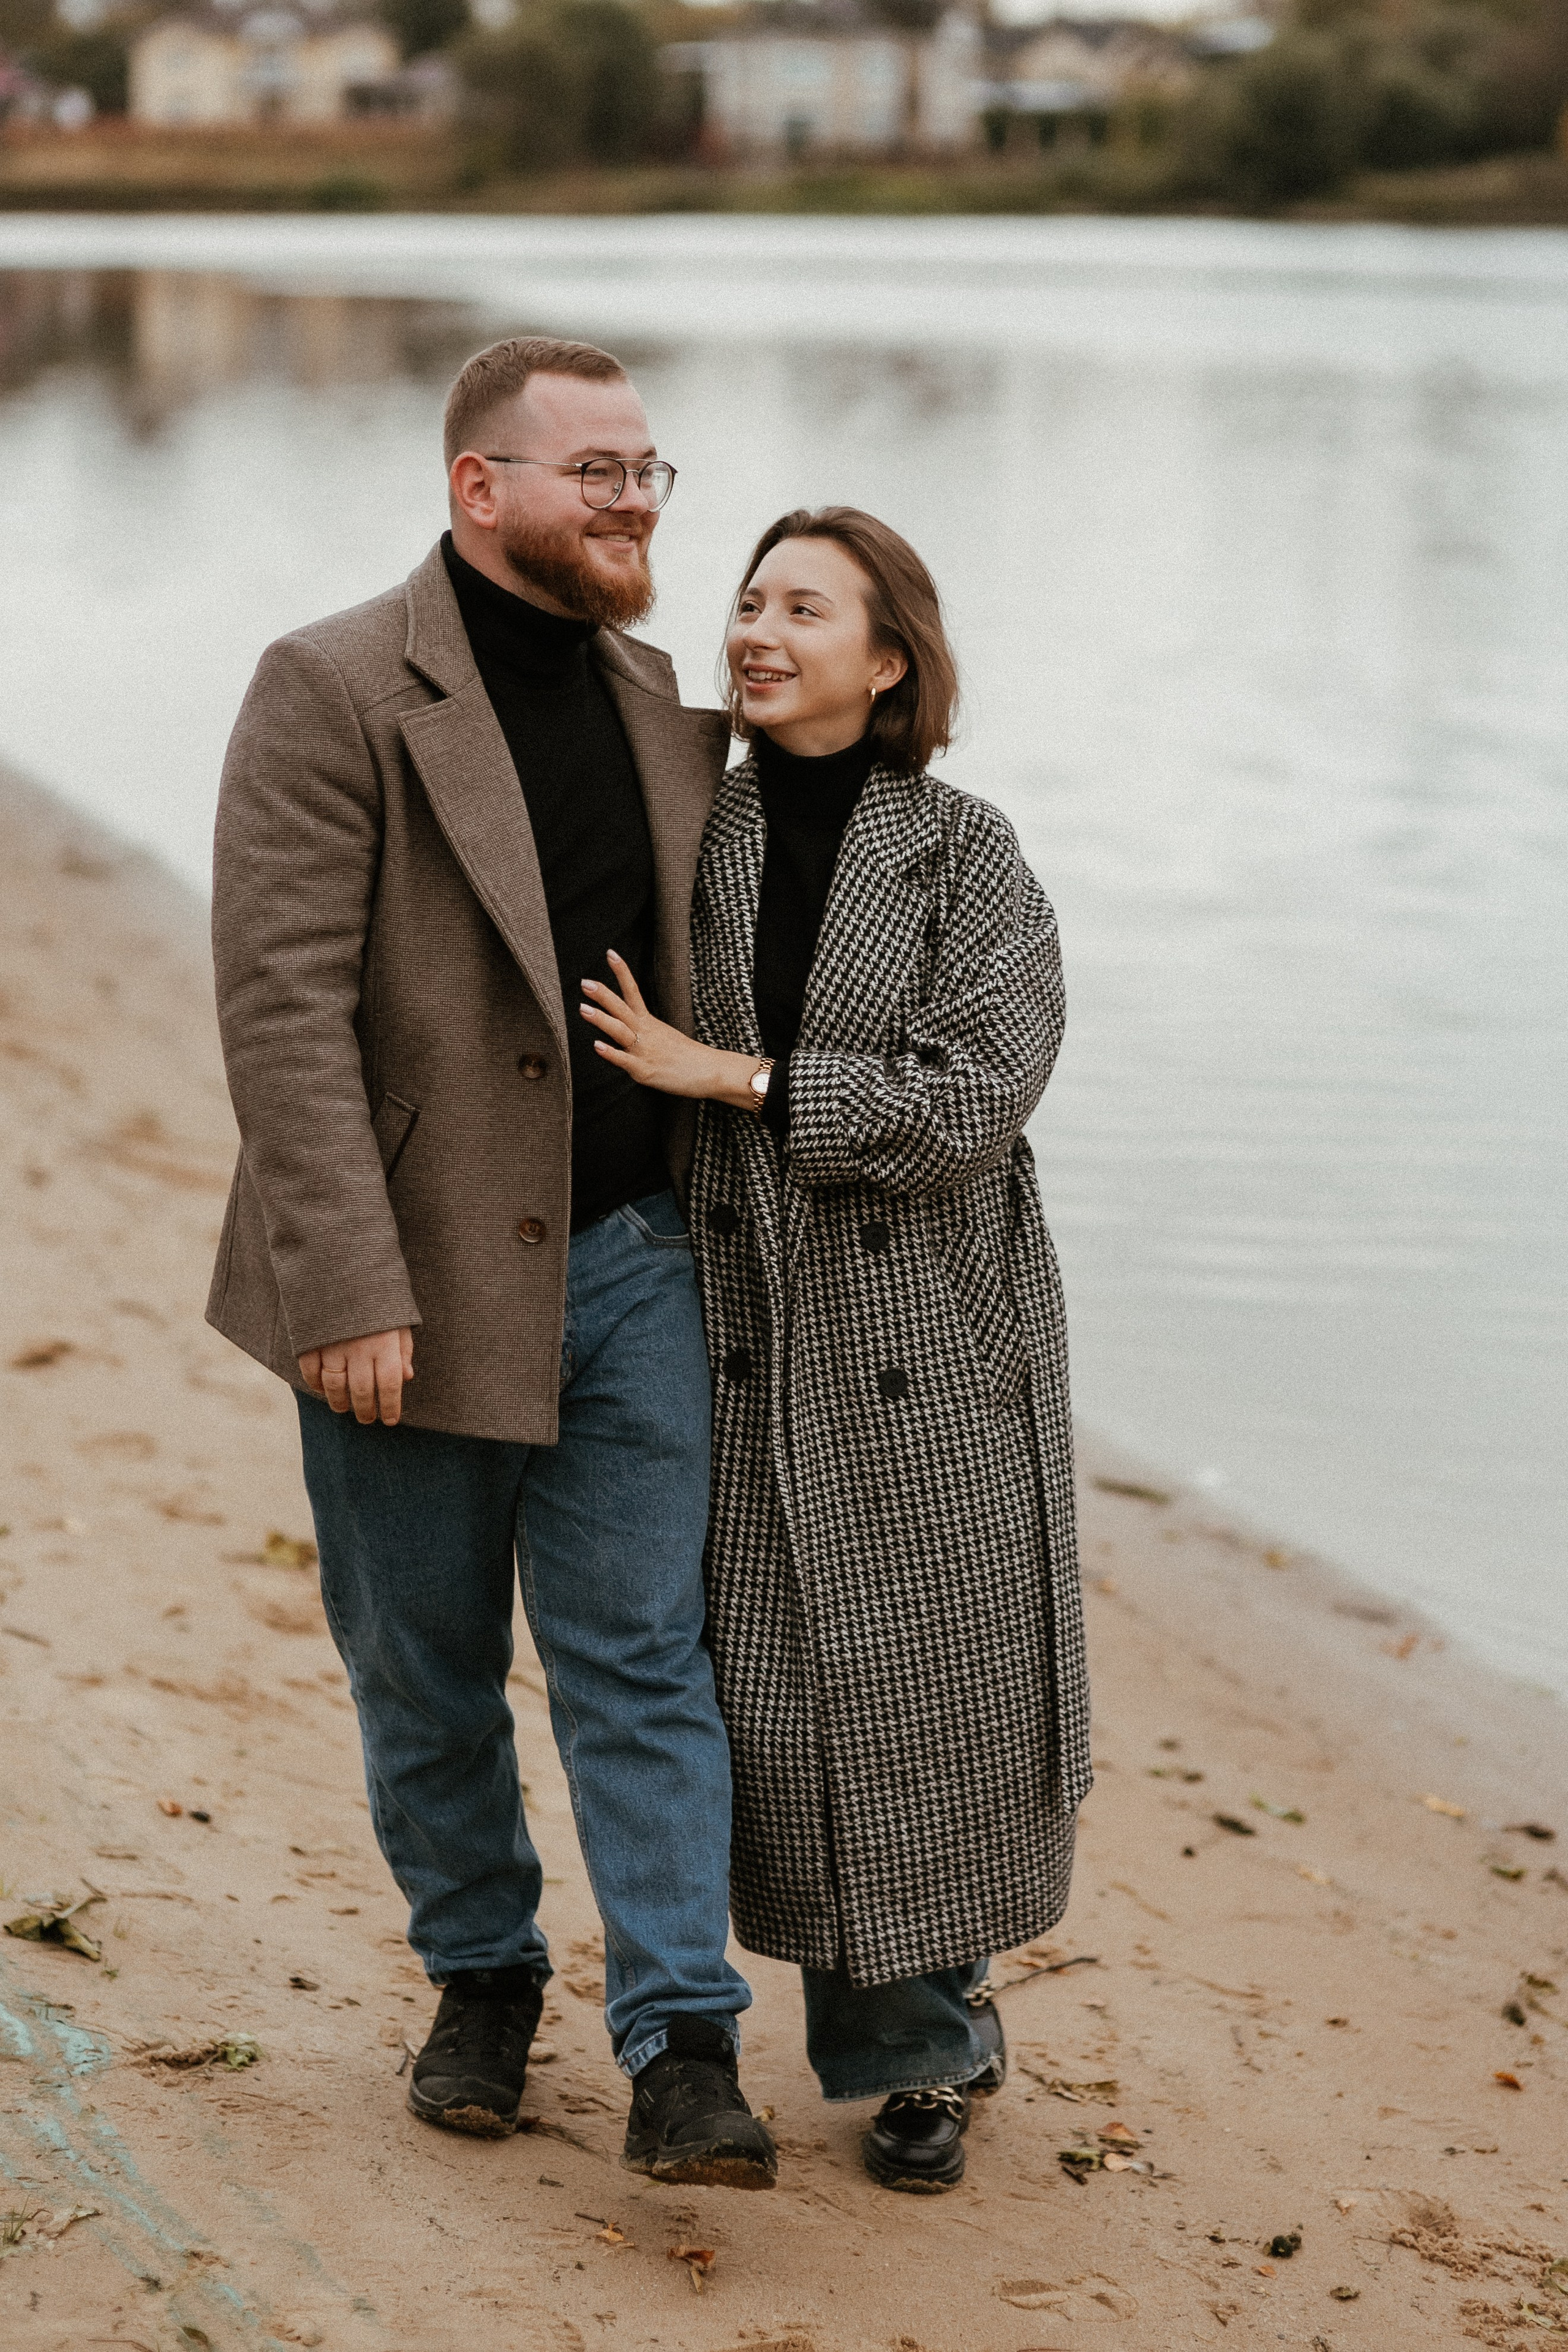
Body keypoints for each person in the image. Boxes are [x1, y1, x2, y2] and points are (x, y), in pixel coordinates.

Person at [206, 335, 777, 2190]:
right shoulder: (332, 686)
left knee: (643, 1661)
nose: (635, 502)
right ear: (482, 489)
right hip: (408, 1282)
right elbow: (280, 1009)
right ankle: (480, 1975)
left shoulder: (653, 689)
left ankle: (684, 2041)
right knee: (425, 1669)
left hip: (632, 1270)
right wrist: (345, 1282)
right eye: (596, 471)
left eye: (647, 469)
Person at [579, 506, 1091, 2193]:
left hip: (932, 1323)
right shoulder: (691, 833)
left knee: (932, 1679)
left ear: (886, 662)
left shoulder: (970, 854)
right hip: (738, 1316)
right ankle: (850, 2028)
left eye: (805, 608)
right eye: (748, 599)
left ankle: (931, 2053)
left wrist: (735, 1078)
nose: (757, 628)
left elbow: (976, 1100)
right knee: (787, 1691)